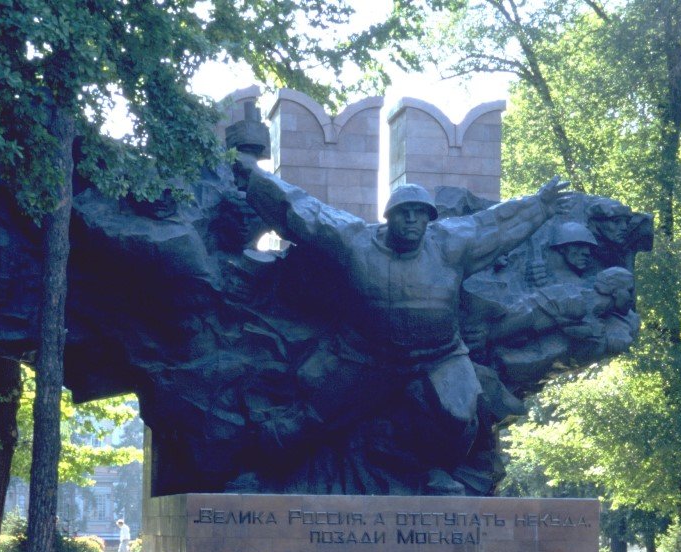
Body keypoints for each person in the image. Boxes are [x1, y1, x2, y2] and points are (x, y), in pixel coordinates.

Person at [236, 158, 568, 492]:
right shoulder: (355, 241)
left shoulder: (450, 243)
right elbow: (305, 212)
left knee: (461, 416)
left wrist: (540, 205)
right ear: (389, 216)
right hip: (366, 355)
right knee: (310, 419)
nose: (412, 219)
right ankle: (260, 471)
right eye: (404, 212)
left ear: (428, 218)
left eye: (419, 213)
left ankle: (438, 472)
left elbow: (493, 225)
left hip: (440, 356)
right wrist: (256, 181)